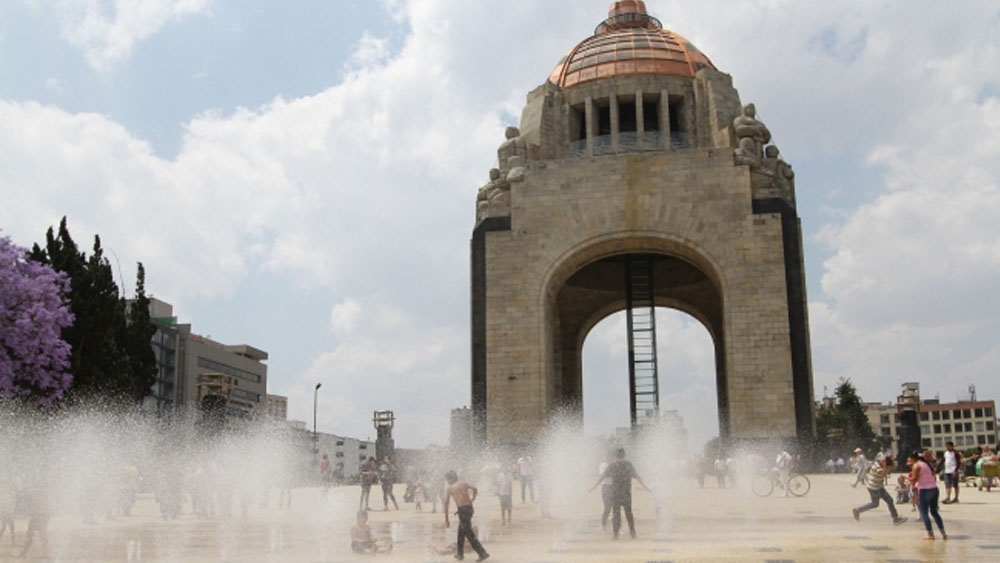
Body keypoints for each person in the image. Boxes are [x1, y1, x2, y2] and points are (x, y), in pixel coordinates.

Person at [589, 448, 651, 540]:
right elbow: (637, 476)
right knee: (629, 513)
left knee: (616, 513)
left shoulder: (612, 466)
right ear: (624, 455)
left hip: (615, 493)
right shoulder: (629, 465)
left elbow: (603, 476)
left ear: (615, 455)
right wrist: (645, 487)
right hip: (626, 492)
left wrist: (594, 486)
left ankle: (615, 535)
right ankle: (633, 533)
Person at [443, 470, 489, 562]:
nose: (447, 482)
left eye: (447, 480)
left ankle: (482, 553)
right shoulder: (463, 483)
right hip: (469, 508)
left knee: (469, 533)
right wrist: (472, 499)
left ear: (450, 479)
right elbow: (475, 488)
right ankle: (460, 554)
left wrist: (447, 519)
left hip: (462, 510)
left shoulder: (450, 489)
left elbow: (446, 504)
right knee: (461, 532)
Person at [852, 455, 907, 526]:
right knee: (875, 504)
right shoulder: (877, 466)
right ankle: (858, 510)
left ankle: (895, 518)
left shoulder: (881, 464)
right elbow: (883, 474)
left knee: (890, 500)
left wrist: (892, 459)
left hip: (879, 487)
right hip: (874, 488)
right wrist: (885, 466)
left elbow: (894, 467)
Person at [908, 451, 946, 540]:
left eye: (910, 459)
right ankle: (943, 532)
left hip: (925, 490)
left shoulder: (916, 465)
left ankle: (930, 534)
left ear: (914, 458)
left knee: (924, 513)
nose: (909, 461)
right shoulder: (927, 464)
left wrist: (904, 477)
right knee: (934, 512)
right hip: (934, 489)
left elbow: (914, 480)